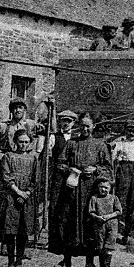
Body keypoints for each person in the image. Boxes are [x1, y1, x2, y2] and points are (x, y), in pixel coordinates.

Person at [0, 98, 45, 251]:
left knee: (26, 203)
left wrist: (49, 107)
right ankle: (5, 241)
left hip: (26, 166)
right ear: (11, 110)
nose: (17, 111)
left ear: (25, 110)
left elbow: (50, 130)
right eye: (14, 108)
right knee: (5, 205)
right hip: (6, 166)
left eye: (20, 108)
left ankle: (24, 242)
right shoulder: (2, 126)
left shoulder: (31, 125)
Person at [51, 112, 112, 267]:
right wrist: (70, 169)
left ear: (93, 127)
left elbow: (108, 168)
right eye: (82, 125)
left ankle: (90, 263)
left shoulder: (100, 145)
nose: (85, 129)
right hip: (72, 190)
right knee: (69, 222)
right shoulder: (71, 143)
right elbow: (60, 163)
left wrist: (96, 169)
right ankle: (66, 261)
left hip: (91, 191)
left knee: (89, 225)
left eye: (88, 126)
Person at [0, 129, 39, 267]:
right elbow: (6, 177)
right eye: (20, 142)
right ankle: (10, 261)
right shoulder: (8, 156)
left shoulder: (33, 159)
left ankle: (19, 260)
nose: (23, 145)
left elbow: (36, 179)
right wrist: (18, 192)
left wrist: (27, 193)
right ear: (15, 142)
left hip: (27, 198)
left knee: (23, 229)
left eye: (26, 142)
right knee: (11, 229)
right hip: (12, 196)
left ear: (30, 143)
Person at [47, 109, 78, 254]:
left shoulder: (76, 138)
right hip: (57, 175)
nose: (66, 124)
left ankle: (69, 239)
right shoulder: (54, 137)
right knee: (55, 206)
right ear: (59, 122)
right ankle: (54, 241)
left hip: (72, 175)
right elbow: (48, 155)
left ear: (73, 123)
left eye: (69, 121)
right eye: (63, 121)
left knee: (70, 206)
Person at [111, 120, 134, 239]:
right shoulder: (120, 143)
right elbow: (113, 159)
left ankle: (128, 231)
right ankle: (117, 229)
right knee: (121, 200)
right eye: (129, 130)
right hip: (124, 170)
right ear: (125, 130)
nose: (131, 133)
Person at [88, 178, 122, 267]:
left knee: (109, 246)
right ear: (98, 188)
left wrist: (109, 216)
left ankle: (107, 266)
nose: (103, 190)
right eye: (101, 187)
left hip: (112, 225)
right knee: (100, 246)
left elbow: (119, 211)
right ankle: (101, 266)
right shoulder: (94, 198)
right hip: (99, 225)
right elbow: (91, 211)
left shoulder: (114, 198)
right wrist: (97, 217)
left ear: (110, 188)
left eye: (106, 188)